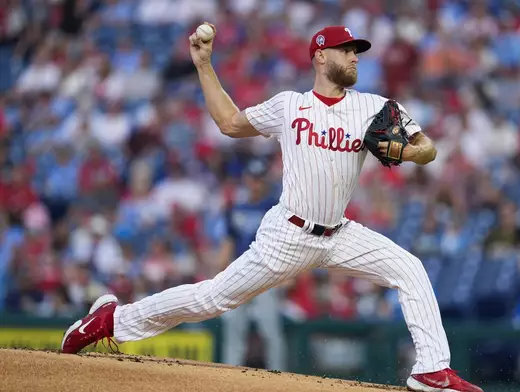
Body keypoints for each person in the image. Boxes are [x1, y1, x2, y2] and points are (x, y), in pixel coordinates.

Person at [60, 24, 483, 392]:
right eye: (347, 50)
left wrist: (410, 153)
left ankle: (431, 370)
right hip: (289, 234)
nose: (354, 57)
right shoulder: (290, 105)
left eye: (357, 51)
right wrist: (205, 65)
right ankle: (109, 322)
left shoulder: (373, 107)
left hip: (339, 234)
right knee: (212, 299)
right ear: (320, 56)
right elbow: (228, 123)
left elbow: (427, 148)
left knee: (409, 268)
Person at [219, 159, 286, 371]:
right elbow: (228, 245)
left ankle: (280, 378)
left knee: (270, 330)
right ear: (246, 179)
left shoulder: (274, 207)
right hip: (240, 272)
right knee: (233, 326)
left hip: (267, 273)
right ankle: (230, 375)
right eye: (252, 178)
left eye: (259, 179)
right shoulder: (236, 208)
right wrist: (219, 272)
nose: (256, 183)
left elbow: (283, 243)